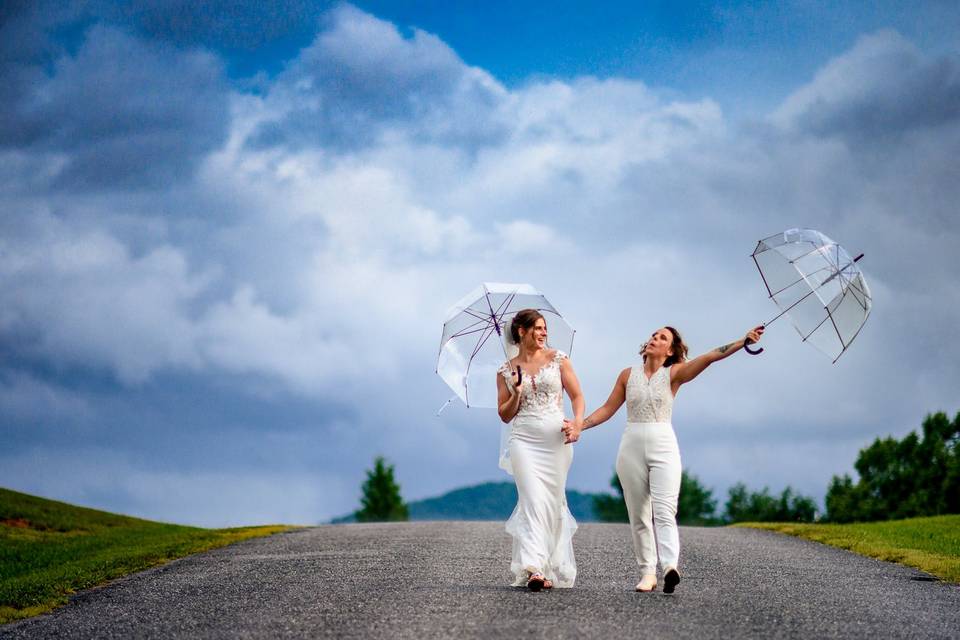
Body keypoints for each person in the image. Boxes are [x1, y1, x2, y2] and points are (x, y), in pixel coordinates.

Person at [563, 325, 763, 593]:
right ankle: (648, 573)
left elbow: (711, 356)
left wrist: (742, 341)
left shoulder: (674, 373)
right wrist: (580, 426)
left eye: (662, 338)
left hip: (663, 444)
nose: (654, 339)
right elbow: (608, 409)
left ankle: (670, 566)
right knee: (639, 514)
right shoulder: (627, 375)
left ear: (670, 350)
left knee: (664, 509)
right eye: (654, 335)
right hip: (631, 446)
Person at [496, 309, 585, 591]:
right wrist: (518, 392)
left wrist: (578, 423)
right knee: (533, 500)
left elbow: (577, 396)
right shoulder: (505, 370)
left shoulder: (559, 360)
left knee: (551, 502)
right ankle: (534, 567)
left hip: (556, 442)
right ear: (521, 332)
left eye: (545, 328)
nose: (543, 333)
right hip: (523, 440)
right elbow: (504, 415)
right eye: (537, 328)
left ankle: (546, 564)